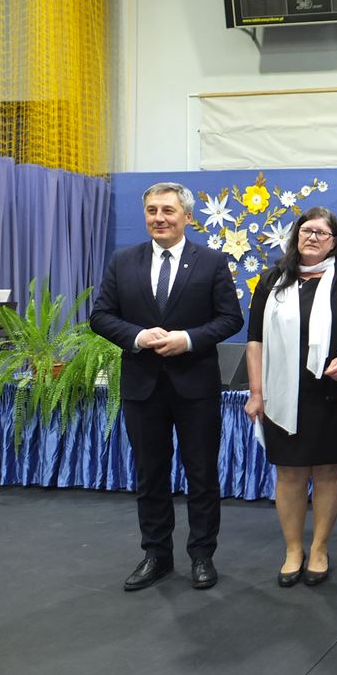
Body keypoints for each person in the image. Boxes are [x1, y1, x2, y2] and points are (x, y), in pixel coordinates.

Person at [91, 182, 243, 591]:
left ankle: (202, 555)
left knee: (202, 475)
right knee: (150, 475)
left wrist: (188, 339)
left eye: (168, 211)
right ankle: (156, 555)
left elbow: (231, 319)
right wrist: (139, 336)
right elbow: (101, 316)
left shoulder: (211, 262)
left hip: (196, 388)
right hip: (142, 388)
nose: (159, 218)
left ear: (187, 217)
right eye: (152, 210)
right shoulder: (123, 261)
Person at [244, 207, 337, 587]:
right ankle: (293, 550)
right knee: (290, 473)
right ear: (296, 235)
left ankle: (319, 549)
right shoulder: (272, 280)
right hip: (281, 392)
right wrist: (256, 392)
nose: (312, 237)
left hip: (330, 393)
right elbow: (254, 340)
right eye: (306, 230)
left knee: (329, 472)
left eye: (321, 233)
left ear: (334, 241)